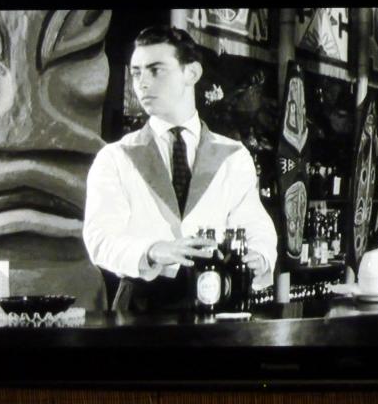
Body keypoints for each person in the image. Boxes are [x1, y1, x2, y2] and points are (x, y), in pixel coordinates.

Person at [83, 26, 277, 311]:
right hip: (141, 305)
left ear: (192, 73)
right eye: (136, 73)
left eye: (156, 70)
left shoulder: (233, 156)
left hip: (215, 297)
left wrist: (260, 256)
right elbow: (100, 239)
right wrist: (152, 250)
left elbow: (255, 223)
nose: (142, 83)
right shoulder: (115, 157)